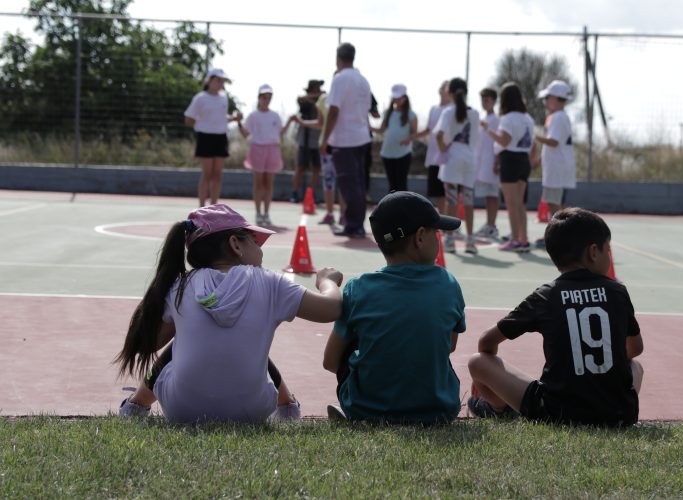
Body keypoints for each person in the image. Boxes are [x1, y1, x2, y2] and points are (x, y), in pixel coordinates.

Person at [115, 204, 343, 423]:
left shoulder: (181, 286)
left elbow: (152, 342)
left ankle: (135, 405)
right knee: (249, 348)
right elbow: (330, 309)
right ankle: (287, 408)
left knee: (180, 345)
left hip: (180, 409)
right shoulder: (270, 283)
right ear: (235, 244)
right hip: (252, 411)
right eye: (255, 241)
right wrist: (327, 282)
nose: (260, 250)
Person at [467, 207, 644, 426]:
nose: (609, 256)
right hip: (619, 414)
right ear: (593, 252)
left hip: (555, 413)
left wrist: (481, 380)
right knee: (636, 366)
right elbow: (635, 349)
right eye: (608, 250)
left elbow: (486, 342)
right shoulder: (617, 292)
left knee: (477, 361)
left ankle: (497, 407)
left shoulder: (546, 295)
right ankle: (613, 405)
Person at [322, 191, 466, 424]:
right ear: (420, 237)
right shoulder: (448, 284)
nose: (438, 239)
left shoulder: (358, 288)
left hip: (368, 411)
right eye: (436, 232)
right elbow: (449, 345)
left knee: (355, 338)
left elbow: (330, 361)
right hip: (438, 410)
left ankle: (356, 403)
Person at [321, 43, 372, 238]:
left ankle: (354, 224)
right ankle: (356, 222)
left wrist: (325, 139)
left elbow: (333, 110)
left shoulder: (340, 79)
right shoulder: (363, 80)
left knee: (348, 184)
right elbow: (365, 109)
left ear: (338, 58)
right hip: (361, 136)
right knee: (358, 183)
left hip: (345, 139)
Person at [482, 82, 536, 253]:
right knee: (520, 204)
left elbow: (504, 141)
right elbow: (533, 144)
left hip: (510, 159)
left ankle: (514, 239)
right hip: (523, 159)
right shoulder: (528, 118)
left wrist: (488, 130)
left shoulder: (508, 118)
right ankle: (523, 239)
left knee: (512, 204)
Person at [184, 68, 242, 207]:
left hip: (221, 137)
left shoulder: (223, 98)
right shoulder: (200, 98)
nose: (220, 83)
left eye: (222, 81)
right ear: (209, 80)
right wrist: (201, 126)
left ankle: (214, 207)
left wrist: (234, 118)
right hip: (205, 137)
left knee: (217, 175)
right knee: (207, 173)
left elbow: (221, 118)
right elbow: (189, 118)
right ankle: (202, 207)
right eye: (217, 80)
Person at [435, 77, 480, 254]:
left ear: (450, 93)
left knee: (451, 201)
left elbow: (439, 135)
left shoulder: (448, 112)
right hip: (469, 159)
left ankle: (450, 239)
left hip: (453, 159)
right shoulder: (475, 114)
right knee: (468, 201)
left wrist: (443, 148)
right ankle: (470, 240)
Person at [237, 84, 292, 227]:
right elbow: (245, 134)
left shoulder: (275, 116)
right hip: (257, 149)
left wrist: (291, 121)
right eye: (264, 97)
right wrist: (238, 122)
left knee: (269, 183)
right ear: (259, 98)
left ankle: (266, 213)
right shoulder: (253, 115)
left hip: (272, 149)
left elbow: (280, 133)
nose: (266, 100)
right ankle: (258, 213)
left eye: (269, 97)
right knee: (258, 183)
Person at [534, 80, 576, 249]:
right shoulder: (558, 117)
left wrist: (534, 136)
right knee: (557, 204)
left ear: (557, 99)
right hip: (557, 167)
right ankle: (561, 235)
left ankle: (557, 237)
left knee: (554, 204)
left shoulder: (558, 117)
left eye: (548, 98)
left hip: (556, 169)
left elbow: (553, 141)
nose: (546, 102)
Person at [405, 80, 451, 212]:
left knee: (448, 192)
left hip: (448, 157)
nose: (446, 91)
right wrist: (411, 137)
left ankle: (450, 221)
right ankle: (442, 219)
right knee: (438, 193)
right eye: (444, 88)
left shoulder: (453, 110)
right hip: (434, 157)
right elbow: (428, 130)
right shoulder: (434, 109)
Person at [373, 84, 417, 193]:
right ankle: (392, 209)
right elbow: (381, 130)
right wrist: (366, 126)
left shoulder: (411, 115)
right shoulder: (388, 113)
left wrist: (407, 139)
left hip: (403, 153)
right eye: (395, 97)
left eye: (399, 97)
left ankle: (403, 209)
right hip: (387, 153)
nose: (396, 100)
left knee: (401, 184)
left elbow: (414, 133)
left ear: (405, 98)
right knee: (392, 185)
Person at [289, 79, 325, 204]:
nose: (320, 90)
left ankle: (311, 195)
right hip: (304, 140)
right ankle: (294, 193)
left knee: (316, 168)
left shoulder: (323, 101)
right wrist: (317, 96)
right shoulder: (304, 101)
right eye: (317, 88)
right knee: (300, 167)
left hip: (318, 141)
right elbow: (301, 99)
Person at [474, 87, 501, 240]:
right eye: (483, 100)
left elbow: (498, 142)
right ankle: (489, 224)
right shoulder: (484, 119)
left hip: (492, 162)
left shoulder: (496, 120)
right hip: (483, 163)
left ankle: (492, 225)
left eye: (487, 100)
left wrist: (497, 162)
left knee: (492, 194)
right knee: (487, 195)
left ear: (494, 101)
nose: (484, 103)